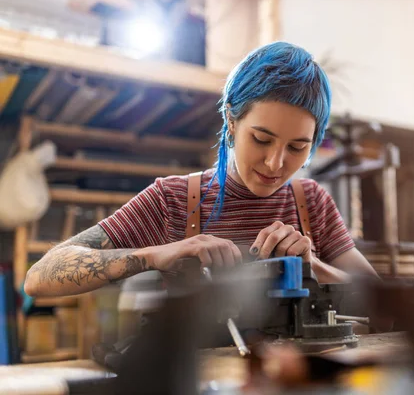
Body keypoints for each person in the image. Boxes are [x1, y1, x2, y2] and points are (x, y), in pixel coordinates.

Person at [24, 42, 379, 298]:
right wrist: (155, 255)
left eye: (297, 148)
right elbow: (40, 277)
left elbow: (379, 298)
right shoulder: (173, 200)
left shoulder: (311, 203)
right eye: (261, 139)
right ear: (232, 121)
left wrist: (311, 267)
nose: (276, 163)